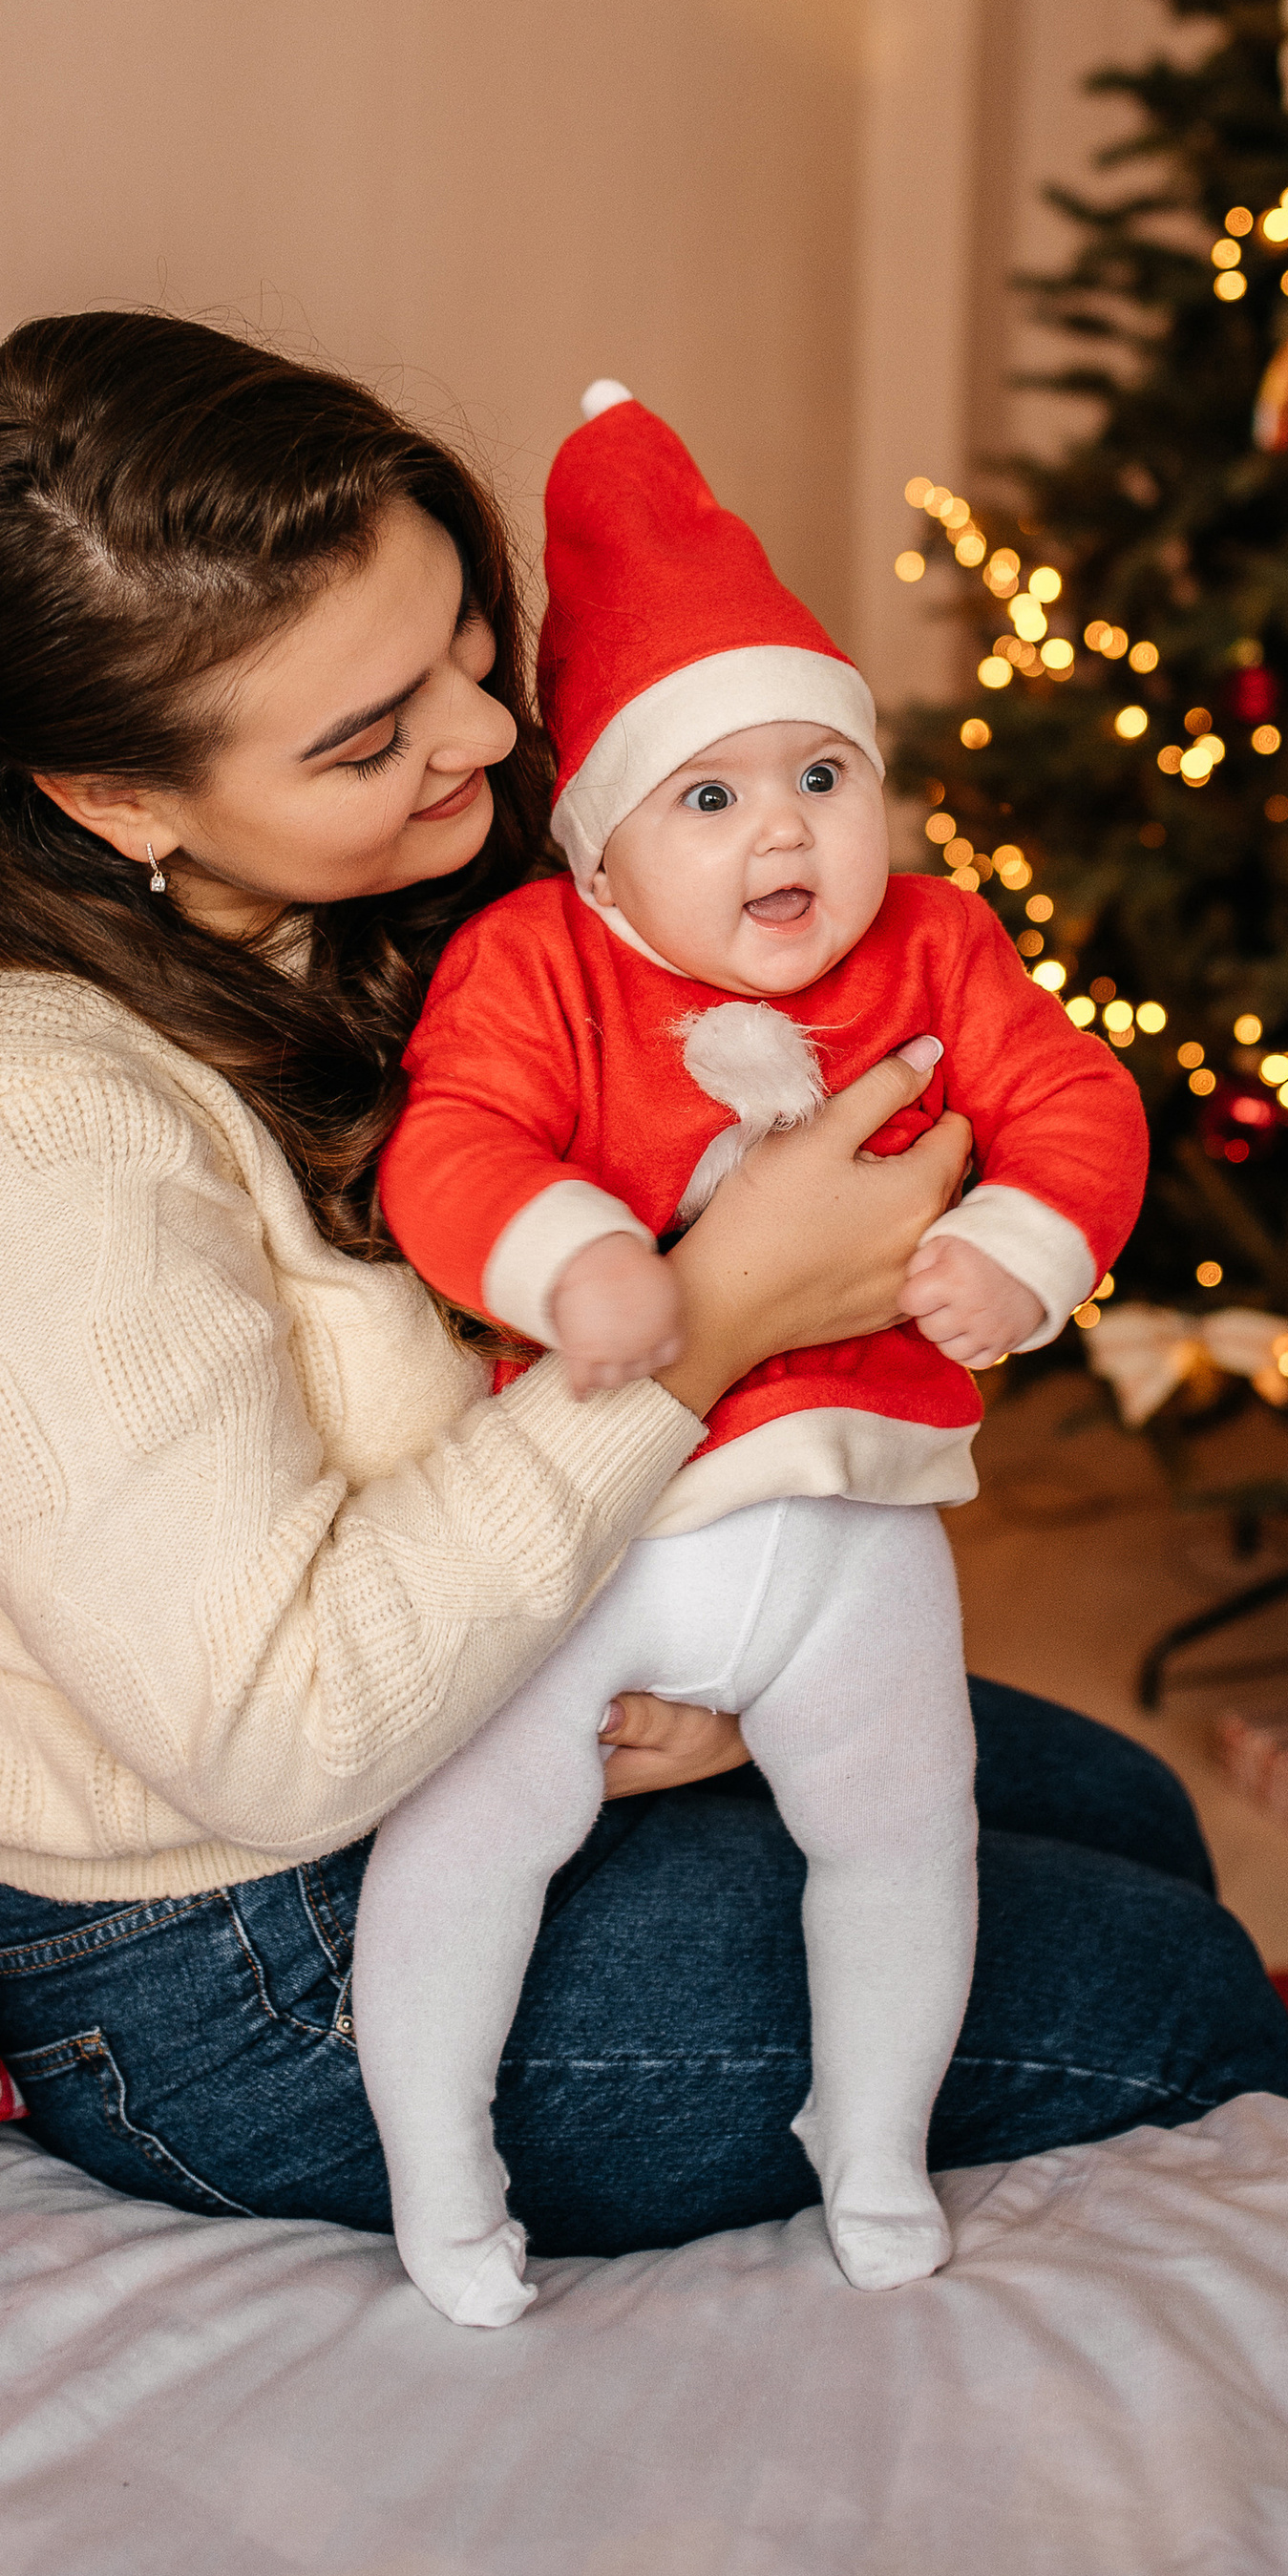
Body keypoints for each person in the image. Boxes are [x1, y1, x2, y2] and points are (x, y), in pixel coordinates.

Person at [0, 308, 1288, 2255]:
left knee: (1126, 1809)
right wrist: (718, 1313)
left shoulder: (354, 899)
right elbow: (272, 1727)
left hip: (527, 1699)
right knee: (1156, 1992)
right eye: (371, 735)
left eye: (461, 646)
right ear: (111, 799)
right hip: (235, 1939)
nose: (490, 737)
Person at [355, 385, 1150, 2323]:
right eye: (706, 797)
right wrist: (572, 1263)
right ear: (606, 855)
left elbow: (1077, 1101)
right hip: (601, 1535)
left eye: (821, 774)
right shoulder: (538, 962)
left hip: (852, 1527)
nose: (781, 829)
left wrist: (1012, 1247)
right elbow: (444, 1147)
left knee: (899, 1834)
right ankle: (438, 2172)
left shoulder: (938, 950)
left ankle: (866, 2138)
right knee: (470, 1838)